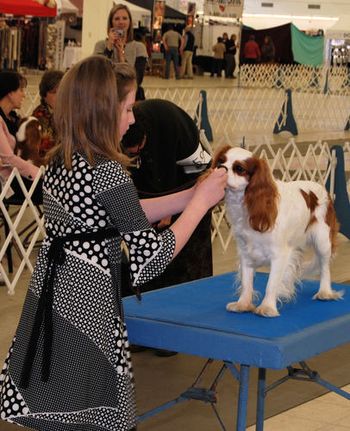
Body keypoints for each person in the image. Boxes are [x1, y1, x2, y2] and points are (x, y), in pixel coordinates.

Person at [0, 56, 227, 431]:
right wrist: (199, 205)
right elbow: (149, 260)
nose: (133, 118)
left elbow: (116, 212)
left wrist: (187, 196)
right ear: (103, 111)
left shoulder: (64, 159)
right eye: (126, 108)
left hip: (54, 293)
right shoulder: (107, 172)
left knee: (58, 411)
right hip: (88, 306)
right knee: (89, 415)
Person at [121, 99, 212, 295]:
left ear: (145, 135)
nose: (135, 154)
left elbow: (197, 175)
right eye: (130, 153)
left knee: (189, 267)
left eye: (138, 148)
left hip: (191, 187)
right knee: (153, 267)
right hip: (154, 197)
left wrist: (170, 208)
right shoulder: (124, 129)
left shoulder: (173, 125)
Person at [94, 4, 147, 99]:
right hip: (105, 96)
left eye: (125, 18)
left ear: (130, 22)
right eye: (117, 18)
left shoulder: (139, 47)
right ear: (111, 22)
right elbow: (98, 73)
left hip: (131, 99)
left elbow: (137, 80)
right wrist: (109, 47)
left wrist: (121, 55)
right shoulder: (100, 45)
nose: (121, 22)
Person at [0, 70, 40, 185]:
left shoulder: (14, 118)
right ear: (10, 92)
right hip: (8, 181)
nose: (24, 95)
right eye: (21, 90)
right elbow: (8, 158)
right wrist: (39, 173)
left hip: (21, 174)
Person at [32, 69, 64, 154]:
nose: (59, 96)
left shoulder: (70, 112)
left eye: (62, 91)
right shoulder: (39, 116)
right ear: (44, 95)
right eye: (54, 92)